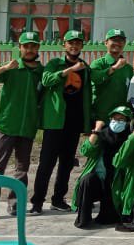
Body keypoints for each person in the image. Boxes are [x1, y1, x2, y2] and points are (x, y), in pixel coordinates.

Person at [31, 29, 92, 214]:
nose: (74, 46)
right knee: (46, 163)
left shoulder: (85, 67)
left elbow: (87, 94)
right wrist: (69, 70)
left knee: (66, 164)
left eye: (78, 43)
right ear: (64, 45)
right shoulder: (54, 64)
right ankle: (37, 202)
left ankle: (58, 199)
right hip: (55, 121)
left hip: (74, 122)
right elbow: (46, 80)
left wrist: (87, 123)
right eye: (70, 43)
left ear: (82, 46)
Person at [0, 31, 44, 216]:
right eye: (26, 46)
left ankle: (15, 205)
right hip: (7, 125)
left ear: (38, 48)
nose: (30, 50)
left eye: (33, 46)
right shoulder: (13, 67)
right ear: (20, 48)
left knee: (22, 169)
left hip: (27, 127)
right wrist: (5, 68)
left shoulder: (41, 72)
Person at [73, 106, 134, 228]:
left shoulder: (131, 137)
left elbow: (122, 161)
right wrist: (96, 130)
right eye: (114, 119)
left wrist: (132, 139)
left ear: (128, 122)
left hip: (118, 182)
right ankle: (84, 219)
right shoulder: (102, 135)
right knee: (87, 180)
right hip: (100, 179)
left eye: (121, 119)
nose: (117, 122)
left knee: (110, 218)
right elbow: (86, 151)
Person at [90, 29, 134, 130]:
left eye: (121, 41)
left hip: (121, 119)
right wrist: (114, 68)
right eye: (114, 40)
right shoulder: (98, 64)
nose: (117, 43)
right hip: (101, 119)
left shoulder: (128, 68)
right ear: (106, 42)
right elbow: (96, 78)